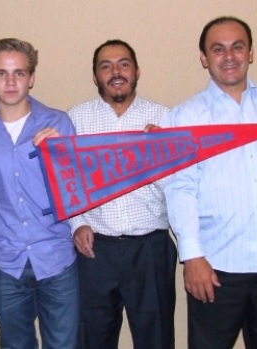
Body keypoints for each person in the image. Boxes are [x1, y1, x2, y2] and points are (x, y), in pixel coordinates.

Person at [164, 16, 257, 349]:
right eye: (218, 49)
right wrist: (192, 257)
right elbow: (179, 188)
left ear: (250, 53)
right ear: (204, 58)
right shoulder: (187, 116)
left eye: (237, 47)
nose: (229, 56)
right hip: (216, 268)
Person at [0, 38, 79, 349]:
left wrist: (58, 154)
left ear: (31, 78)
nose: (10, 82)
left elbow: (75, 189)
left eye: (19, 73)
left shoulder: (58, 123)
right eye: (1, 74)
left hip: (56, 257)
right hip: (5, 261)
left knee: (64, 345)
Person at [68, 39, 177, 349]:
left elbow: (181, 187)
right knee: (92, 339)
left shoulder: (164, 118)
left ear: (137, 71)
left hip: (151, 249)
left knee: (156, 340)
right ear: (95, 76)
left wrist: (160, 156)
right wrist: (78, 224)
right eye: (106, 66)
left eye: (124, 64)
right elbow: (65, 180)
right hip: (94, 250)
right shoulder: (74, 120)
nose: (116, 72)